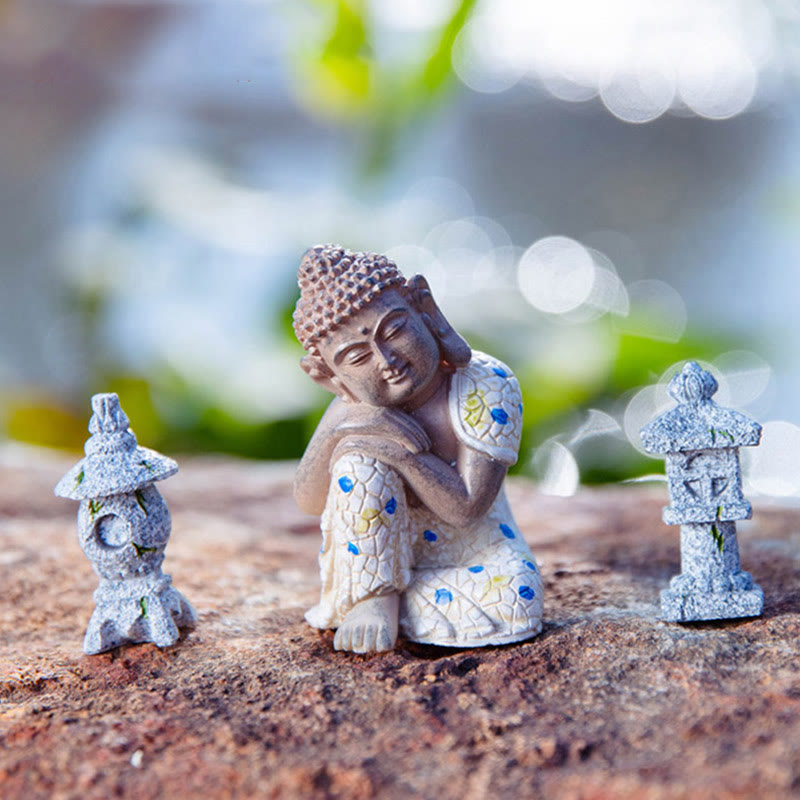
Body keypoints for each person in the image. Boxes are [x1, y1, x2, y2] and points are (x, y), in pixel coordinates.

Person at [293, 245, 543, 653]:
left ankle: (390, 603)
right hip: (372, 558)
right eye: (357, 357)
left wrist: (404, 453)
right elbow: (308, 499)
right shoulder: (351, 410)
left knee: (520, 596)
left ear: (424, 308)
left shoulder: (486, 384)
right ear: (328, 376)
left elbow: (465, 509)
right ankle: (374, 599)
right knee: (358, 461)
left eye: (393, 331)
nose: (386, 360)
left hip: (475, 547)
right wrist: (350, 427)